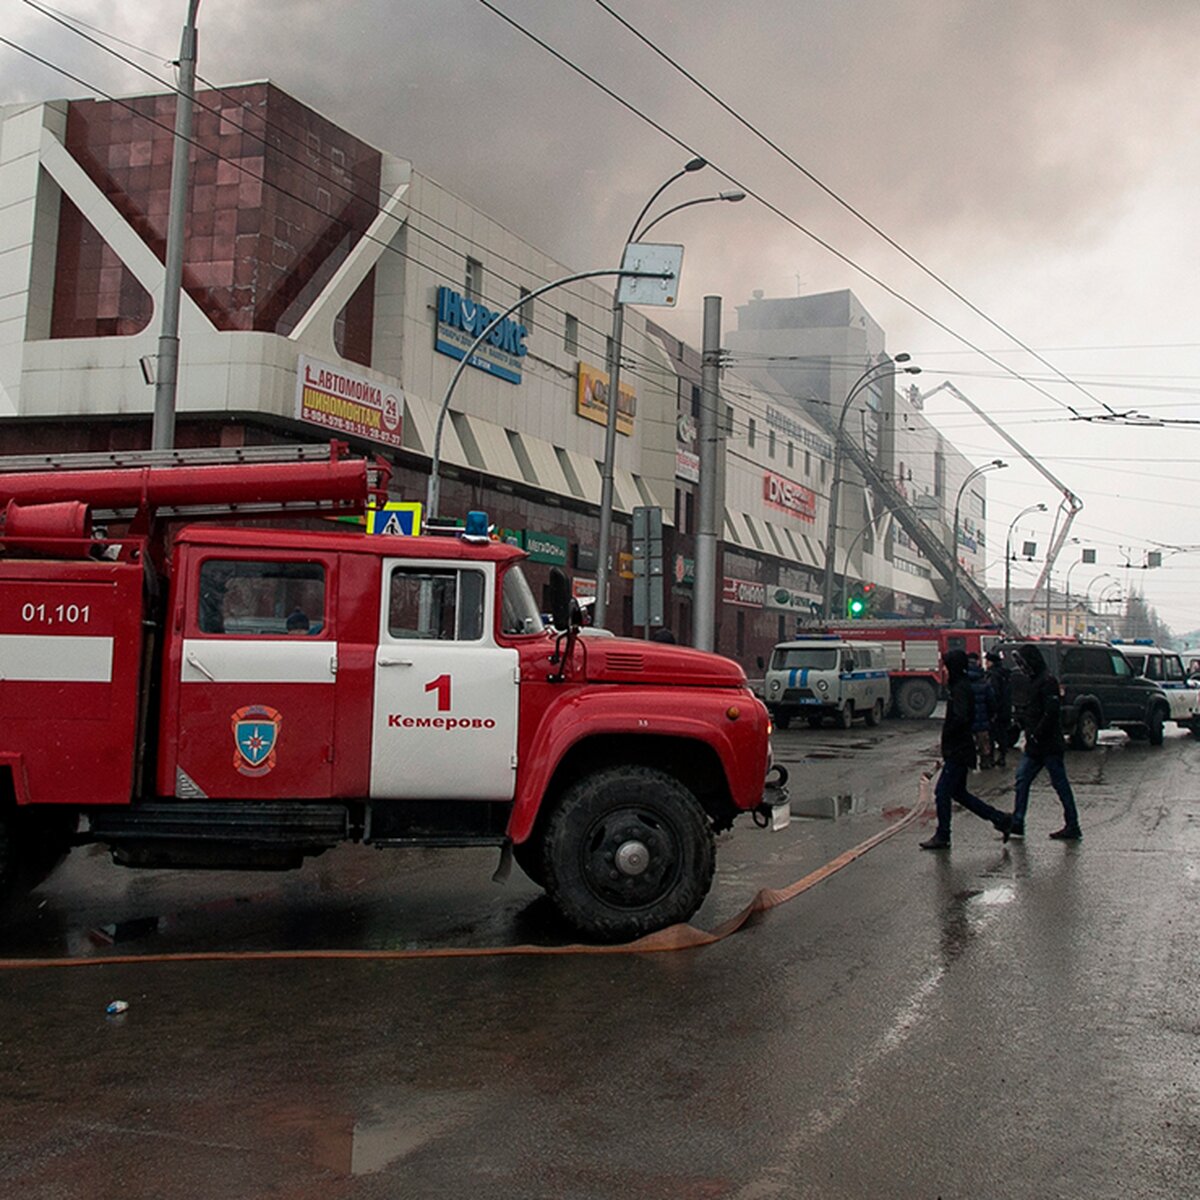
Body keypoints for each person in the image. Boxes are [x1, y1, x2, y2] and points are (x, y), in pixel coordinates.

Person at [920, 649, 1013, 850]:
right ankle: (1000, 819)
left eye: (945, 666)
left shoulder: (961, 689)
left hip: (959, 750)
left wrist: (950, 738)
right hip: (959, 749)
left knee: (942, 792)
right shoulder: (959, 687)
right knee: (959, 793)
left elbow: (962, 717)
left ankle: (943, 835)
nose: (943, 670)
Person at [1010, 644, 1082, 840]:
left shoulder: (1047, 681)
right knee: (1022, 780)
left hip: (1048, 745)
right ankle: (1017, 822)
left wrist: (1035, 734)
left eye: (1023, 663)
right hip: (1037, 745)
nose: (1022, 668)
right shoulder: (1035, 681)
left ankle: (1072, 824)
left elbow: (1051, 712)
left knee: (1059, 784)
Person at [985, 649, 1014, 769]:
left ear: (991, 662)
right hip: (1005, 709)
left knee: (992, 735)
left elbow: (994, 694)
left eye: (987, 661)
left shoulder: (993, 675)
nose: (986, 663)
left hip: (996, 711)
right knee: (1002, 734)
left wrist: (992, 710)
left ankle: (991, 758)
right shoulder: (1006, 674)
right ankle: (1002, 756)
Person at [966, 651, 995, 768]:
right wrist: (991, 715)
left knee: (968, 744)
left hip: (968, 721)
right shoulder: (984, 681)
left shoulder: (963, 681)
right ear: (978, 663)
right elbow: (991, 701)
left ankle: (969, 764)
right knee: (984, 745)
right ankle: (985, 763)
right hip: (983, 721)